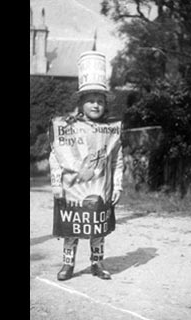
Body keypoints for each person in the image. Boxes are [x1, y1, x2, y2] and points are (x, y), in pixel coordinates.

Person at [48, 51, 123, 281]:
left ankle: (97, 264)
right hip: (72, 190)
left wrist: (118, 186)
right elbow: (55, 156)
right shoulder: (66, 127)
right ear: (81, 104)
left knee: (97, 229)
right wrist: (56, 184)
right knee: (72, 230)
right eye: (90, 100)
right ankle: (68, 264)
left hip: (100, 190)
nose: (96, 105)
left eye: (100, 101)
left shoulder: (112, 130)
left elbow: (118, 159)